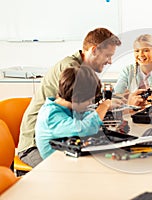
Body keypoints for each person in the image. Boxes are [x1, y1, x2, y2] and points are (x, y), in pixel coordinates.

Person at [18, 27, 125, 168]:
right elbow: (84, 112)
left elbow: (86, 106)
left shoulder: (82, 70)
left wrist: (121, 103)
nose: (110, 61)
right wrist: (106, 106)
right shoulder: (71, 69)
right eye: (107, 56)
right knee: (72, 171)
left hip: (63, 136)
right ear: (94, 50)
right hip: (34, 145)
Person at [36, 66, 111, 159]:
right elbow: (85, 128)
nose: (90, 104)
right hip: (55, 163)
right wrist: (104, 106)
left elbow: (86, 117)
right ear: (76, 98)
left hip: (69, 157)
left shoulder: (70, 108)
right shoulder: (51, 115)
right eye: (89, 100)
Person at [113, 34, 152, 99]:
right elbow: (117, 94)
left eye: (146, 50)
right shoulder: (127, 71)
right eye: (137, 51)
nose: (141, 54)